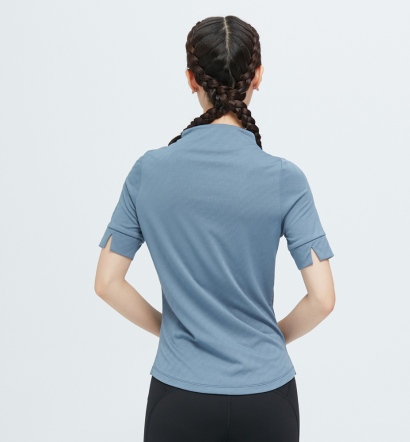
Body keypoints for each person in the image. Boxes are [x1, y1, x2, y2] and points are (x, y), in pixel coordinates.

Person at [94, 15, 335, 442]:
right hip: (267, 397)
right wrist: (267, 340)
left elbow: (107, 283)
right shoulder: (285, 178)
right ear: (257, 76)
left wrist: (173, 331)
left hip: (179, 395)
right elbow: (323, 299)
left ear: (191, 79)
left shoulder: (148, 171)